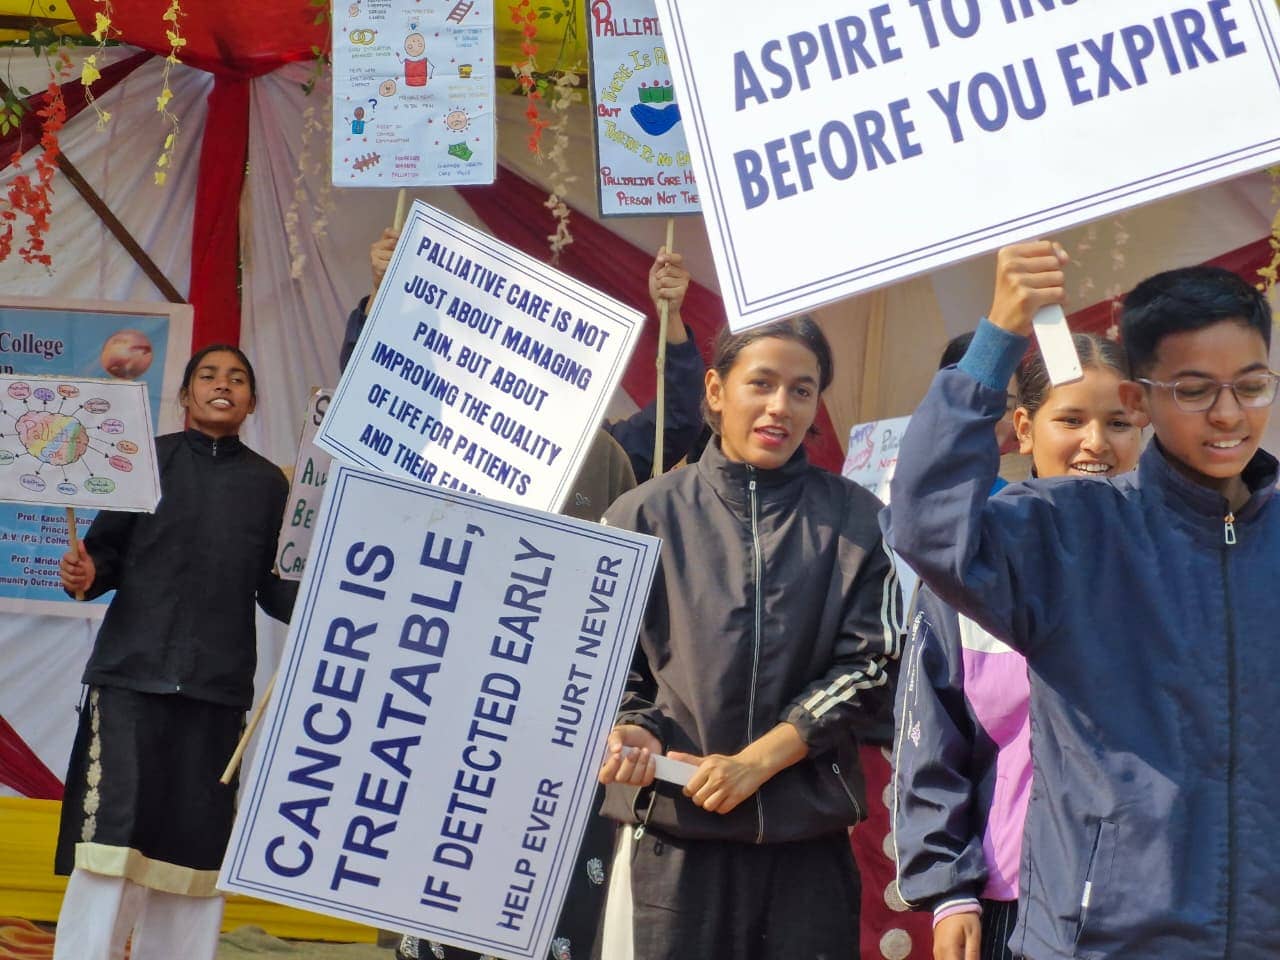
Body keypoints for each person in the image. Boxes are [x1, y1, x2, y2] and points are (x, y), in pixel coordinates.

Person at [886, 241, 1280, 958]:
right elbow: (928, 523)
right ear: (1143, 399)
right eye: (1195, 390)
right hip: (1099, 935)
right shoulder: (1068, 530)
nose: (1228, 414)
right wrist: (999, 335)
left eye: (1251, 386)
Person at [597, 316, 901, 959]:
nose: (780, 406)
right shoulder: (642, 514)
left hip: (806, 846)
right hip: (672, 842)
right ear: (715, 390)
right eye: (761, 383)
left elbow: (871, 666)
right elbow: (609, 667)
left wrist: (757, 762)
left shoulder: (857, 519)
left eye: (801, 389)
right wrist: (633, 727)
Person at [892, 333, 1142, 960]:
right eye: (1072, 419)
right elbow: (931, 742)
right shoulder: (969, 569)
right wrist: (949, 891)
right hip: (1015, 900)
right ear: (1025, 429)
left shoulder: (1175, 564)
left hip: (1151, 899)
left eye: (1118, 422)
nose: (1096, 442)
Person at [52, 346, 297, 960]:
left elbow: (273, 586)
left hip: (217, 688)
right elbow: (104, 555)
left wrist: (327, 601)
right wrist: (86, 571)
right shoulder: (147, 461)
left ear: (252, 401)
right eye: (208, 376)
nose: (223, 385)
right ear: (187, 395)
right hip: (130, 677)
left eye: (237, 378)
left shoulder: (271, 485)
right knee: (112, 841)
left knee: (194, 853)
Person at [342, 228, 707, 481]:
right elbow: (366, 389)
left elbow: (676, 421)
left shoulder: (585, 453)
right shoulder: (430, 431)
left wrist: (671, 316)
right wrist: (381, 292)